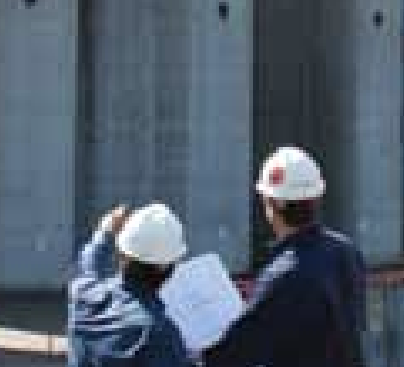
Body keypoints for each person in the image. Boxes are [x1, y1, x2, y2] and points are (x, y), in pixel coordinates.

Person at [203, 146, 366, 367]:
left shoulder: (282, 276)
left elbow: (232, 355)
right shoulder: (346, 250)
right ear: (316, 197)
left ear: (274, 202)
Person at [67, 202, 191, 367]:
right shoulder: (157, 332)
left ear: (122, 253)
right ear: (165, 265)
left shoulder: (83, 295)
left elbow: (89, 266)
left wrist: (104, 232)